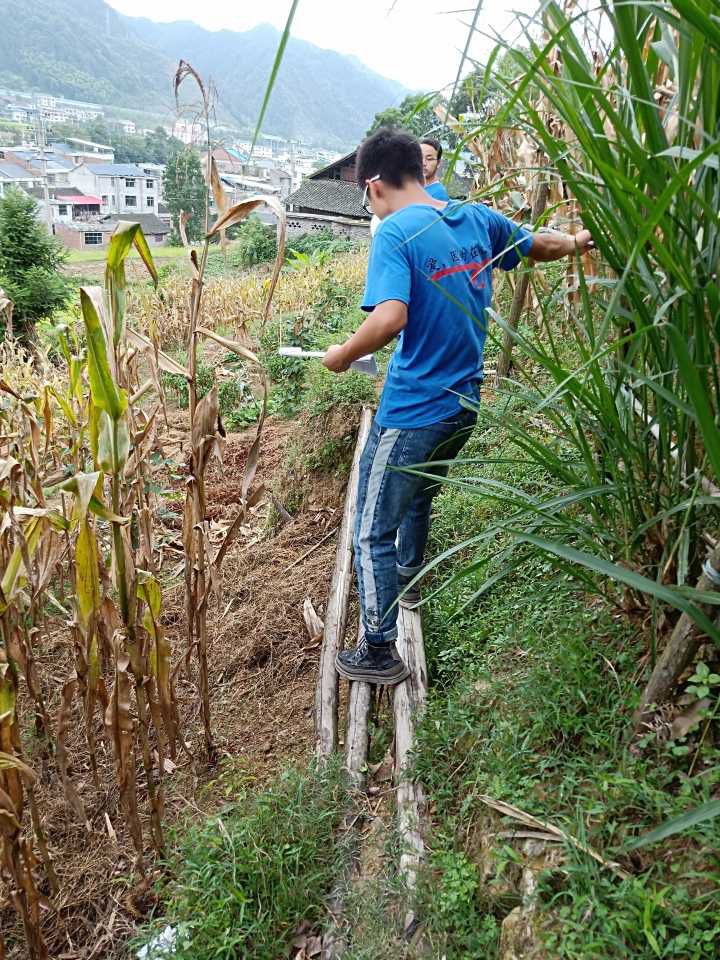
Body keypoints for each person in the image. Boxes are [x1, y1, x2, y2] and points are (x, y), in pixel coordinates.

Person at [323, 128, 594, 685]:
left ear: (374, 185)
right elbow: (536, 245)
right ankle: (410, 579)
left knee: (371, 527)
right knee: (419, 493)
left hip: (414, 409)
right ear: (419, 171)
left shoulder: (396, 232)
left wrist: (341, 354)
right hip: (463, 405)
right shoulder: (474, 217)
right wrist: (577, 242)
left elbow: (390, 317)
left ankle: (378, 648)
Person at [421, 137, 450, 201]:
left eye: (429, 159)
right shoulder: (413, 189)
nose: (423, 163)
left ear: (438, 163)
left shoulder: (439, 195)